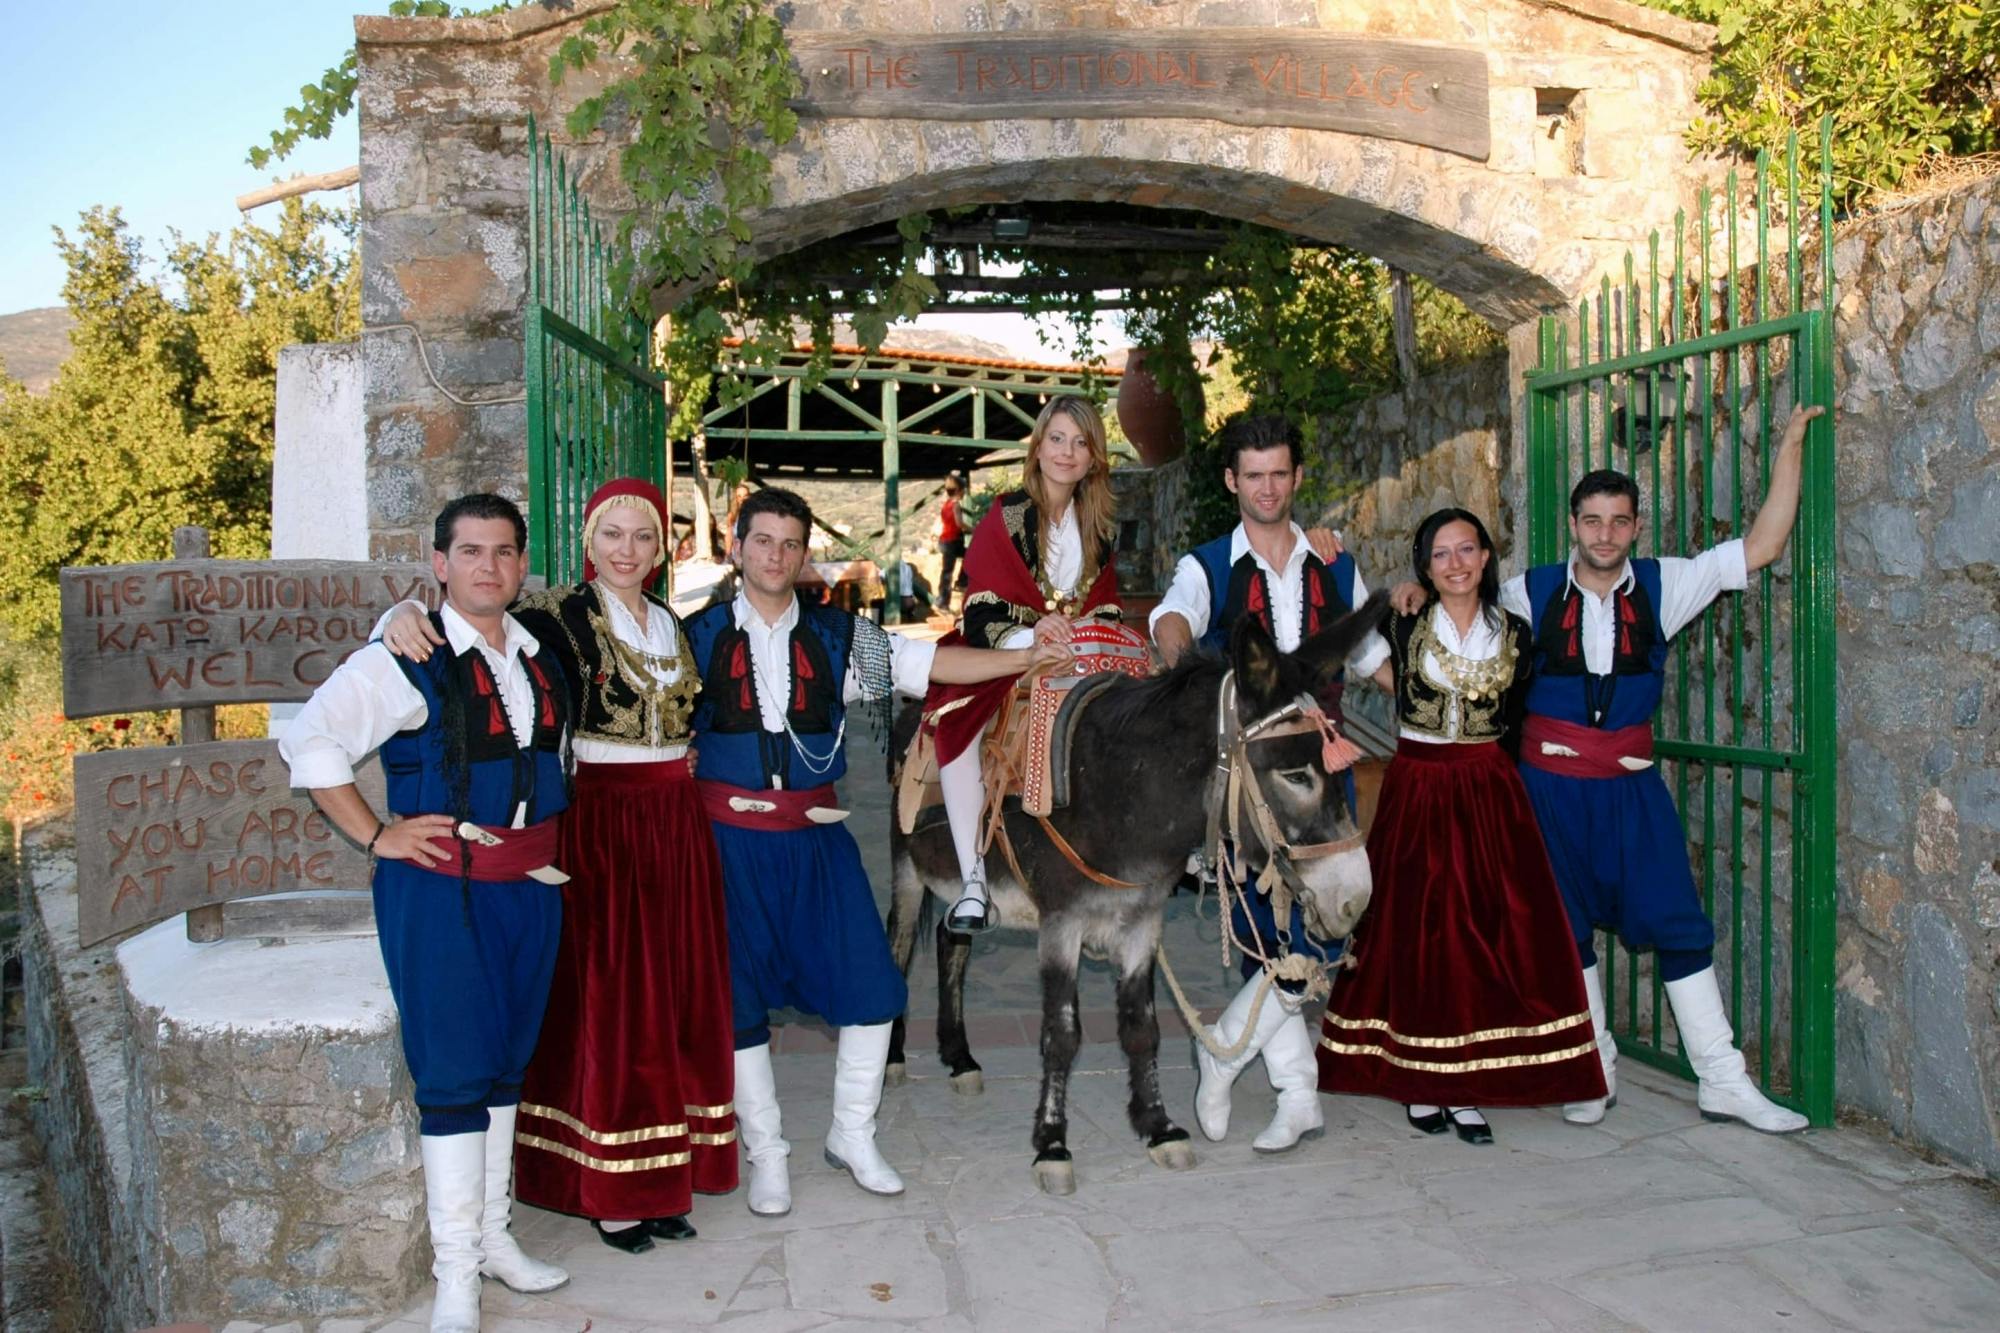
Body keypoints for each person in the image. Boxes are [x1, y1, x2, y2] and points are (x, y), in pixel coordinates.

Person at [685, 486, 1071, 1217]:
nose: (775, 554)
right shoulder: (693, 636)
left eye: (789, 543)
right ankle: (766, 1152)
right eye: (761, 540)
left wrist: (1017, 663)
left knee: (870, 987)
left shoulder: (838, 635)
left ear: (804, 555)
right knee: (735, 1007)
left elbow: (930, 664)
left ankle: (852, 1136)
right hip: (725, 846)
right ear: (736, 548)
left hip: (816, 839)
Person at [374, 478, 735, 1255]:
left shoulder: (673, 623)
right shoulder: (555, 619)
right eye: (613, 535)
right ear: (588, 541)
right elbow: (465, 616)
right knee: (612, 997)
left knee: (672, 994)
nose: (627, 550)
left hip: (675, 820)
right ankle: (610, 1187)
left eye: (642, 536)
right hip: (603, 820)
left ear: (662, 547)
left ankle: (665, 1170)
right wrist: (395, 614)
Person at [280, 494, 571, 1333]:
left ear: (521, 564)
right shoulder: (404, 655)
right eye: (470, 551)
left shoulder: (536, 650)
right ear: (438, 564)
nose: (490, 566)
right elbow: (311, 740)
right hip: (443, 889)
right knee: (451, 1074)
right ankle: (456, 1278)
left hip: (528, 886)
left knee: (507, 1064)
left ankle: (495, 1240)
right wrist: (375, 834)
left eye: (505, 551)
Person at [1504, 404, 1824, 1134]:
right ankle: (1592, 1067)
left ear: (1636, 525)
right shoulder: (1528, 591)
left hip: (1631, 789)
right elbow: (1451, 610)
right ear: (1573, 524)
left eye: (1619, 520)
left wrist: (1791, 446)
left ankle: (1722, 1079)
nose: (1605, 534)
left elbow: (1765, 543)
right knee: (1565, 929)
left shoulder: (1664, 584)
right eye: (1592, 520)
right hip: (1548, 793)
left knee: (1679, 923)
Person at [1318, 508, 1606, 1144]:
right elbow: (1361, 647)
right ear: (1425, 565)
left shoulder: (1518, 633)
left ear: (1484, 557)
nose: (1455, 563)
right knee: (1417, 931)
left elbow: (1519, 714)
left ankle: (1467, 1081)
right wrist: (1337, 555)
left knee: (1484, 930)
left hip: (1487, 792)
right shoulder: (1402, 619)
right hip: (1418, 786)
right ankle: (1422, 1080)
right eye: (1441, 554)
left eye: (1466, 550)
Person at [1149, 413, 1384, 1155]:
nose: (1268, 487)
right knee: (1268, 929)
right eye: (1254, 475)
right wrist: (1183, 663)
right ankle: (1298, 1095)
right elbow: (1172, 620)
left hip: (1324, 772)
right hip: (1250, 783)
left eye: (1279, 473)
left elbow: (1378, 658)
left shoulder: (1336, 564)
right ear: (1232, 482)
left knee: (1324, 922)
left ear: (1297, 478)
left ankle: (1223, 1050)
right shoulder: (1207, 563)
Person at [922, 395, 1123, 936]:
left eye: (1081, 443)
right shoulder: (1006, 514)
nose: (1068, 452)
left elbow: (1104, 600)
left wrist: (1083, 632)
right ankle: (972, 881)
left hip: (1079, 652)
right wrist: (1035, 632)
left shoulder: (1100, 526)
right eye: (1057, 439)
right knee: (960, 726)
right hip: (1005, 643)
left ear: (1094, 457)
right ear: (1038, 448)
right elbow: (984, 597)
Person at [935, 473, 967, 612]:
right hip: (951, 541)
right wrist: (975, 528)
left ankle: (960, 583)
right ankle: (943, 602)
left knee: (947, 571)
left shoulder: (946, 504)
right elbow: (959, 523)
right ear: (959, 490)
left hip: (945, 540)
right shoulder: (955, 505)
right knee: (948, 572)